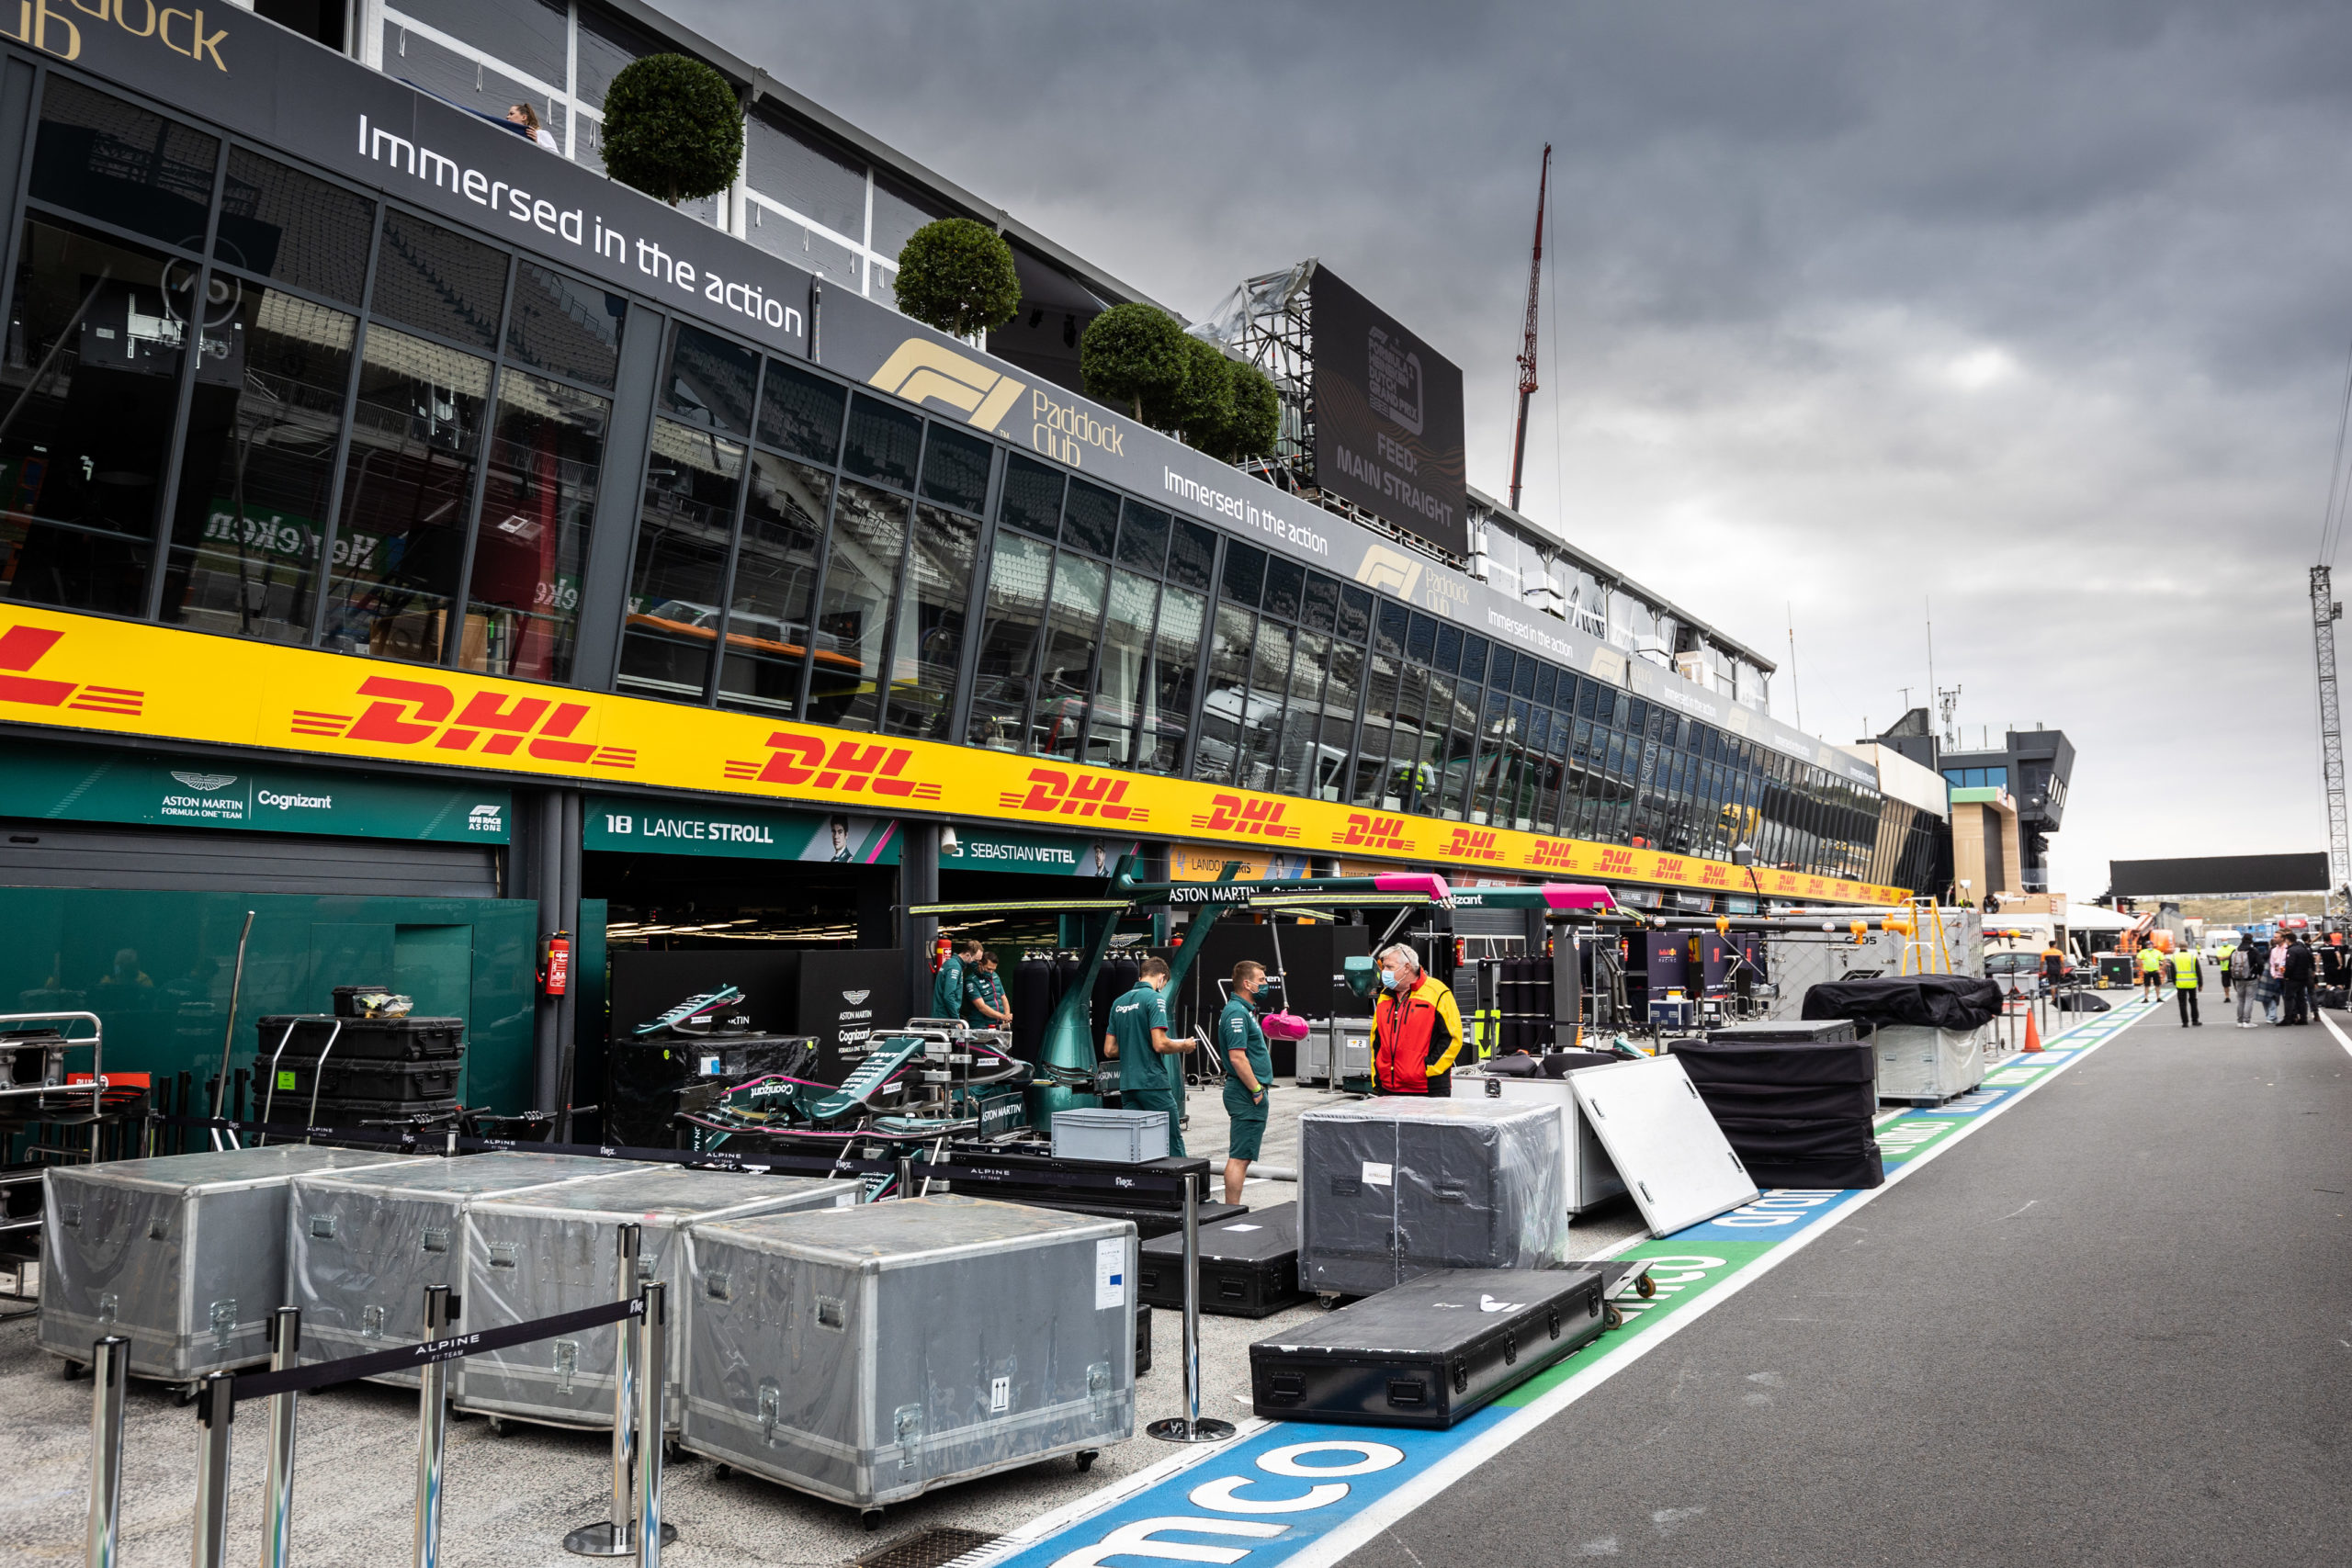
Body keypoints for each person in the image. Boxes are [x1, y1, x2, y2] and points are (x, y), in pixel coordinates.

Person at [1103, 957, 1192, 1155]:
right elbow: (1160, 1044)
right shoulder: (1155, 999)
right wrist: (1184, 1045)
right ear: (1161, 978)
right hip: (1153, 1083)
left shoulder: (1119, 1003)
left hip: (1128, 1085)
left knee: (1135, 1144)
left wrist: (1134, 1044)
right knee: (1171, 1140)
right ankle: (1183, 1184)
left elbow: (1109, 1050)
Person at [1371, 942, 1465, 1097]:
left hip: (1427, 1089)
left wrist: (1427, 1069)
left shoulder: (1437, 992)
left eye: (1389, 967)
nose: (1384, 972)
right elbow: (1376, 1040)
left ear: (1407, 967)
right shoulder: (1385, 996)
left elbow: (1452, 1038)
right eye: (1384, 967)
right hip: (1388, 1088)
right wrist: (1378, 1078)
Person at [1218, 961, 1272, 1206]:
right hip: (1246, 1093)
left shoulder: (1243, 1010)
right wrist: (1257, 1089)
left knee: (1243, 1156)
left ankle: (1232, 1210)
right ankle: (1231, 1211)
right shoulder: (1237, 1013)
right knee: (1240, 1156)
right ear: (1246, 983)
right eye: (1261, 980)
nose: (1265, 984)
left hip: (1247, 1092)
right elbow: (1237, 1057)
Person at [930, 937, 979, 1021]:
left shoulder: (951, 963)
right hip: (944, 1019)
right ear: (967, 955)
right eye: (976, 960)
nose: (977, 963)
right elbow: (948, 996)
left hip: (942, 1016)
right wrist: (956, 1019)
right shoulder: (955, 967)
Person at [963, 950, 1012, 1031]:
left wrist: (1006, 1017)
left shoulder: (995, 976)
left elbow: (1003, 997)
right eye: (989, 969)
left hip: (998, 1025)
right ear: (980, 964)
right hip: (981, 1026)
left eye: (993, 970)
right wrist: (1003, 1016)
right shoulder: (971, 981)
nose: (991, 972)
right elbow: (981, 1007)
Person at [2283, 934, 2318, 1025]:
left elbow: (2290, 965)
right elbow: (2311, 959)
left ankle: (2288, 1018)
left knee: (2289, 997)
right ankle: (2304, 1018)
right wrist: (2312, 969)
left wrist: (2286, 975)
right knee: (2301, 998)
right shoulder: (2303, 948)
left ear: (2287, 940)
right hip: (2304, 976)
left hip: (2294, 977)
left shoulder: (2291, 950)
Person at [2232, 935, 2259, 1028]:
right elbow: (2260, 963)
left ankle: (2239, 1021)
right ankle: (2246, 1021)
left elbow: (2230, 967)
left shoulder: (2235, 951)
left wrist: (2234, 980)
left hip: (2238, 978)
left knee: (2240, 999)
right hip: (2251, 978)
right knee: (2249, 999)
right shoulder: (2253, 951)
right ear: (2251, 941)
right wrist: (2259, 973)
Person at [2173, 941, 2201, 1027]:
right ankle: (2195, 1020)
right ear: (2187, 946)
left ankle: (2185, 1022)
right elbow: (2198, 971)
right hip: (2192, 983)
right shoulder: (2192, 957)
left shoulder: (2174, 957)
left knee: (2182, 1003)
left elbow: (2172, 972)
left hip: (2180, 983)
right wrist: (2200, 983)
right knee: (2193, 1002)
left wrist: (2175, 982)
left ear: (2179, 947)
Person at [2265, 933, 2289, 1024]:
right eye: (2274, 937)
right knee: (2273, 997)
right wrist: (2273, 974)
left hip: (2286, 977)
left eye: (2276, 937)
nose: (2274, 938)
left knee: (2287, 997)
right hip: (2276, 977)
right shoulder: (2273, 950)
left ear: (2282, 938)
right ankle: (2272, 1016)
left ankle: (2289, 1015)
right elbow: (2272, 963)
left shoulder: (2287, 949)